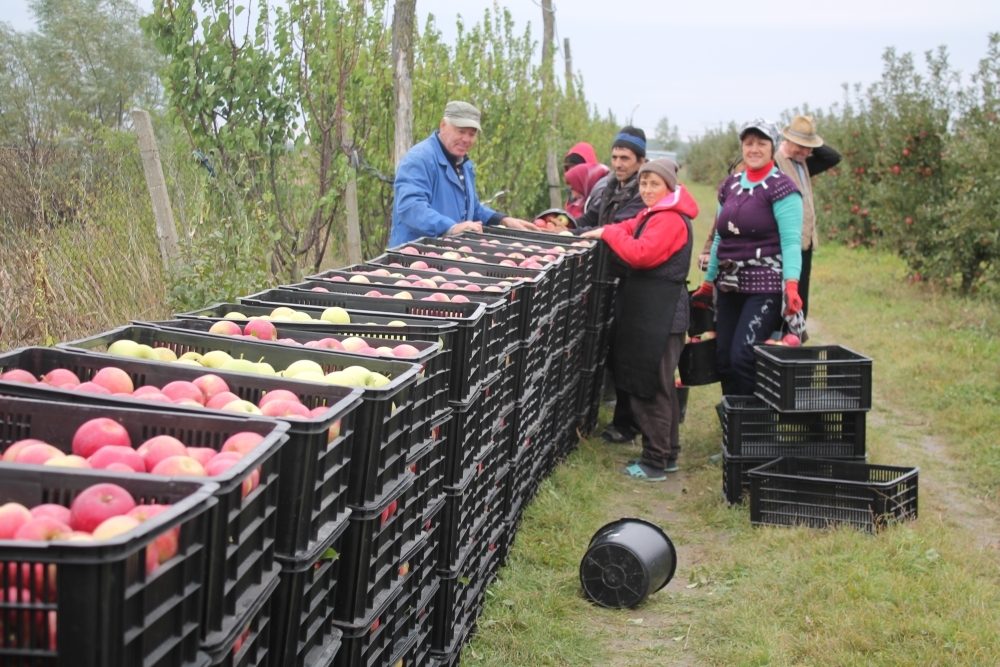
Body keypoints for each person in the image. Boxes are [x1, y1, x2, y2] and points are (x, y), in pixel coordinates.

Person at [581, 158, 698, 481]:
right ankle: (667, 453)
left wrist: (607, 233)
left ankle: (654, 461)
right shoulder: (654, 213)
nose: (647, 190)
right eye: (643, 183)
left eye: (654, 184)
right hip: (654, 311)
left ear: (669, 187)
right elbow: (627, 227)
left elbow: (640, 253)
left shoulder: (671, 220)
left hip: (661, 315)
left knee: (652, 388)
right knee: (660, 386)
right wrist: (605, 231)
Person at [692, 119, 804, 396]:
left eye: (761, 143)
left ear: (773, 147)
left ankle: (758, 428)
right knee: (724, 359)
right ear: (742, 146)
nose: (754, 149)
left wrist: (791, 285)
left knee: (744, 356)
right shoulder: (729, 186)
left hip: (765, 286)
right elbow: (720, 238)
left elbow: (791, 242)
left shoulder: (782, 189)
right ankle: (735, 430)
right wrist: (708, 284)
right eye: (748, 143)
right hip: (729, 285)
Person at [390, 101, 534, 246]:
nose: (466, 139)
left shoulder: (463, 165)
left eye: (472, 134)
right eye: (461, 131)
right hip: (414, 258)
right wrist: (450, 227)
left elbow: (472, 209)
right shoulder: (419, 159)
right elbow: (410, 207)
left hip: (449, 257)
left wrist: (501, 219)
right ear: (443, 126)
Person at [773, 115, 841, 319]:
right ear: (788, 139)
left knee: (800, 302)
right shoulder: (776, 163)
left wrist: (808, 137)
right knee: (781, 300)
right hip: (783, 244)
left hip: (805, 243)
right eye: (801, 145)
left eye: (809, 146)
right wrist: (794, 142)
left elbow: (833, 157)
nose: (806, 151)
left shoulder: (803, 163)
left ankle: (795, 343)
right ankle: (779, 343)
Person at [574, 126, 648, 230]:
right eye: (614, 157)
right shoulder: (612, 186)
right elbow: (590, 218)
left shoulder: (644, 193)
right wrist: (566, 226)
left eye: (624, 158)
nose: (617, 164)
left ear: (641, 162)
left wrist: (572, 233)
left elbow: (614, 230)